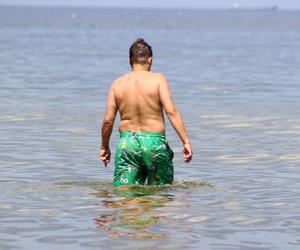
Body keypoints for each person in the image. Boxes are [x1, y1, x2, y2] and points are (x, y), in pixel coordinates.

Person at [99, 38, 192, 187]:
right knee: (161, 195)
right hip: (154, 144)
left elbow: (108, 121)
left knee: (125, 195)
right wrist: (185, 141)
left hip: (127, 144)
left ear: (130, 61)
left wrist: (104, 146)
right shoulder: (158, 80)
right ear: (150, 60)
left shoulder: (117, 84)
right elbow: (172, 112)